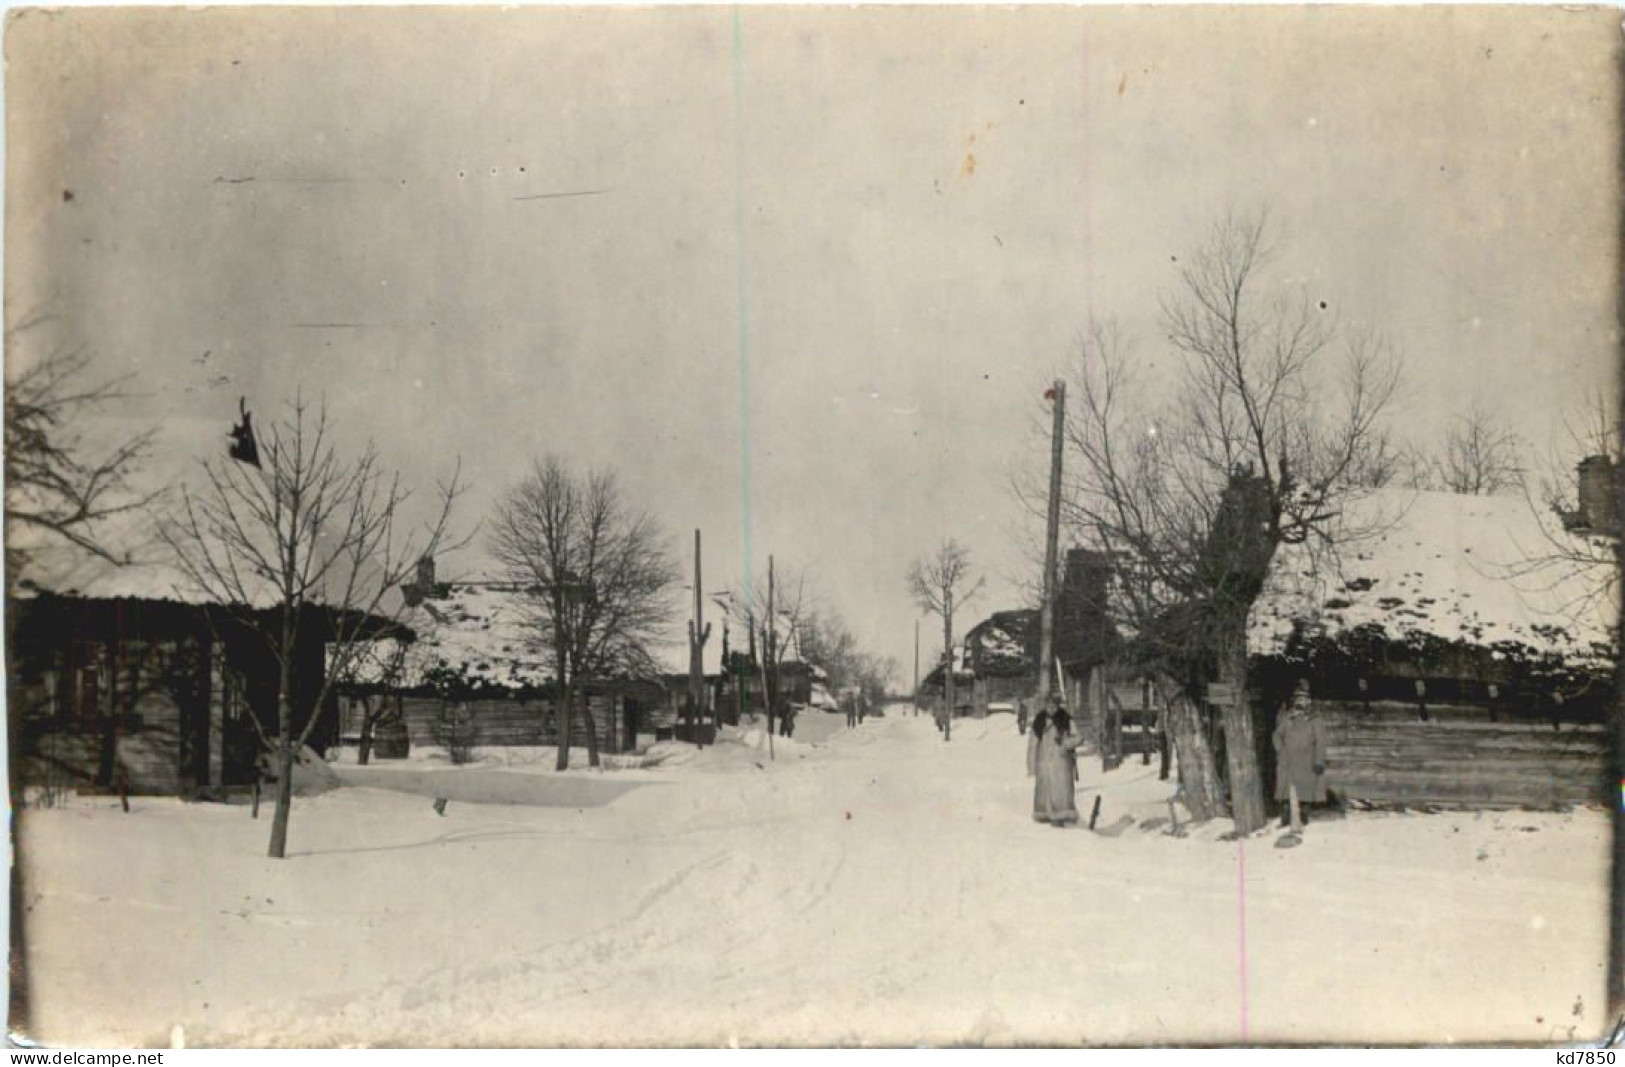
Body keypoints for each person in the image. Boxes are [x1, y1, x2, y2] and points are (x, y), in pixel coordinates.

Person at [1273, 680, 1329, 828]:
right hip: (1288, 761)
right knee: (1285, 790)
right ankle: (1285, 818)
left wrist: (1319, 761)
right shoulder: (1287, 718)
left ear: (1309, 702)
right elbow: (1277, 735)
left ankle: (1303, 817)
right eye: (1298, 699)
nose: (1300, 702)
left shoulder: (1315, 719)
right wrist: (1280, 750)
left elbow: (1321, 741)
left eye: (1303, 699)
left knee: (1305, 790)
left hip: (1306, 761)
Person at [1029, 709, 1084, 824]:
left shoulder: (1065, 718)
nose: (1050, 707)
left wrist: (1065, 743)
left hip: (1062, 763)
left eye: (1053, 703)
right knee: (1044, 792)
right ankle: (1044, 816)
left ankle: (1063, 817)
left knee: (1061, 793)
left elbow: (1078, 738)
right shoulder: (1040, 720)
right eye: (1048, 703)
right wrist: (1032, 764)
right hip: (1044, 763)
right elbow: (1033, 745)